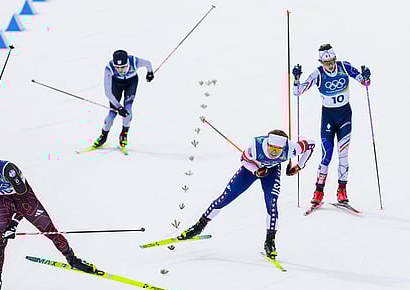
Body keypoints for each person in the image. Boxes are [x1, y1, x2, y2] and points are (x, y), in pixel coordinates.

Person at [0, 146, 96, 290]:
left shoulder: (9, 171)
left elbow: (24, 203)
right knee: (0, 238)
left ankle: (72, 259)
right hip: (2, 201)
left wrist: (14, 224)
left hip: (24, 198)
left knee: (49, 230)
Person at [178, 130, 315, 259]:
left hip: (272, 172)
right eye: (271, 148)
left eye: (278, 149)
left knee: (271, 204)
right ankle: (199, 226)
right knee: (225, 197)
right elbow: (243, 159)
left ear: (284, 147)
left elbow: (311, 144)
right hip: (250, 170)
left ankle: (270, 241)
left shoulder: (292, 148)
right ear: (266, 143)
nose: (273, 152)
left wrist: (299, 166)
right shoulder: (255, 147)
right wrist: (256, 170)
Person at [292, 43, 371, 206]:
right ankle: (318, 191)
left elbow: (365, 83)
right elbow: (298, 92)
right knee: (326, 156)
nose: (330, 65)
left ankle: (342, 191)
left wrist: (366, 76)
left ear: (335, 58)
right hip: (328, 118)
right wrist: (296, 79)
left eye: (332, 61)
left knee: (343, 155)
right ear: (321, 62)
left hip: (345, 117)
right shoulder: (317, 74)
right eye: (326, 62)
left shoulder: (344, 66)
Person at [92, 49, 154, 149]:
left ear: (127, 63)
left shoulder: (134, 61)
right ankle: (103, 136)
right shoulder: (109, 68)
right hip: (116, 85)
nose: (120, 70)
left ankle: (124, 134)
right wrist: (118, 107)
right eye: (117, 68)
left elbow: (148, 63)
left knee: (128, 111)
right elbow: (108, 92)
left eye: (123, 67)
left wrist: (150, 73)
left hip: (131, 83)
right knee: (112, 114)